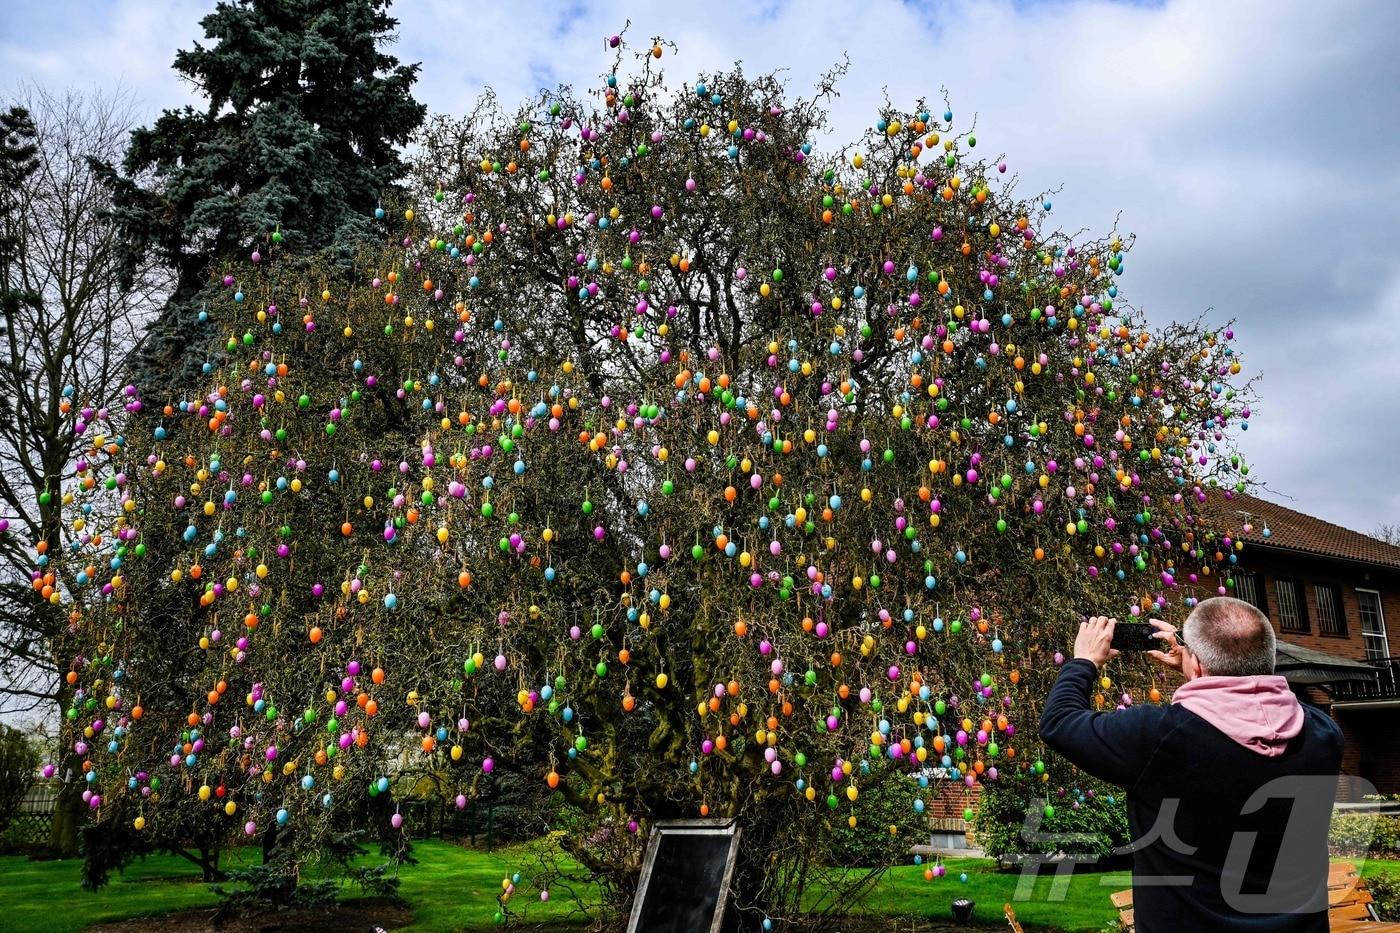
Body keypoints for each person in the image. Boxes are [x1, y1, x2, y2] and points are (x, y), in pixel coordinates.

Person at [1039, 597, 1343, 933]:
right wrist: (1202, 668)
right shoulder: (1322, 735)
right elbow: (1262, 700)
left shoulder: (1158, 737)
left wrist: (1084, 661)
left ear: (1195, 665)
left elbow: (1060, 721)